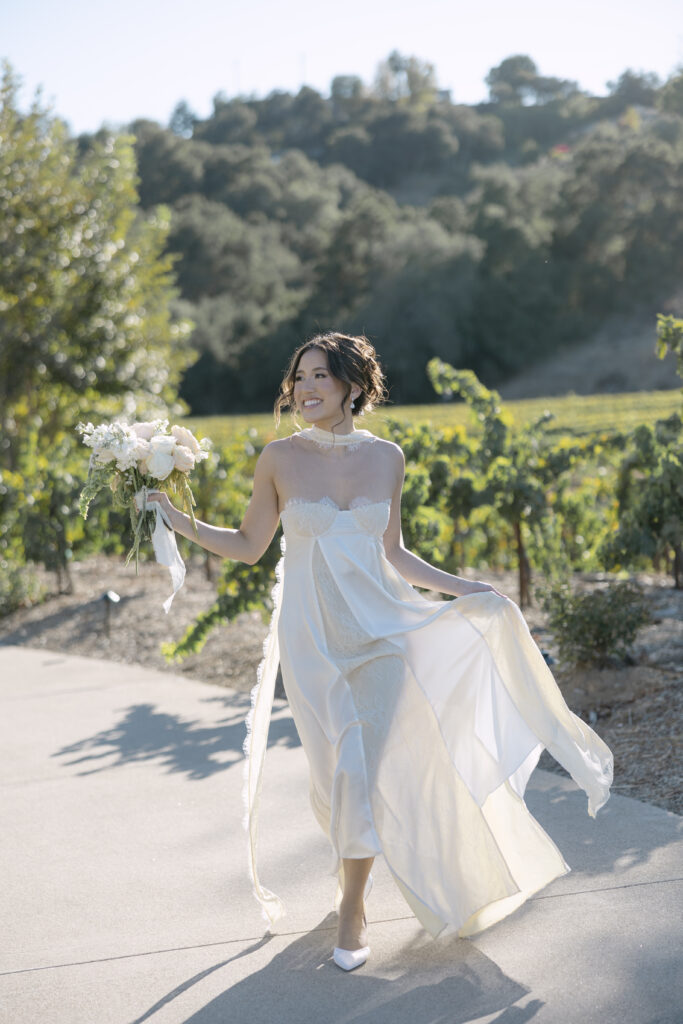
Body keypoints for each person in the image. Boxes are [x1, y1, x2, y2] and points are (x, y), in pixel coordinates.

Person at [146, 332, 612, 972]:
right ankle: (353, 874)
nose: (305, 388)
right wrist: (176, 519)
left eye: (320, 377)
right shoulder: (279, 458)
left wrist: (467, 589)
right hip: (312, 639)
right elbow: (251, 544)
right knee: (335, 770)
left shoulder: (387, 457)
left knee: (361, 763)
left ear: (353, 387)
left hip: (384, 631)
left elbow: (393, 552)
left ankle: (352, 908)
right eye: (300, 376)